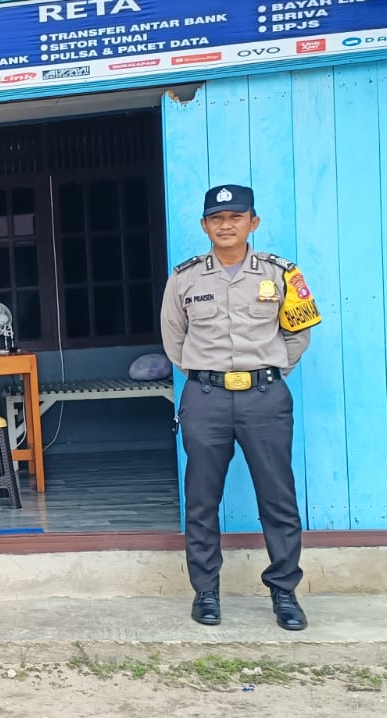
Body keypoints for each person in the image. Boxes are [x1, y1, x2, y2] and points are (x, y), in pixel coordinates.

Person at [159, 184, 321, 632]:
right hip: (205, 398)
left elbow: (298, 334)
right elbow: (174, 338)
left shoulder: (282, 273)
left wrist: (267, 371)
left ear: (253, 222)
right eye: (217, 218)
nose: (226, 225)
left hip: (264, 398)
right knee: (201, 499)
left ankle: (284, 592)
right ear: (204, 225)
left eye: (235, 217)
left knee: (278, 497)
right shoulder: (185, 278)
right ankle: (206, 591)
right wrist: (206, 374)